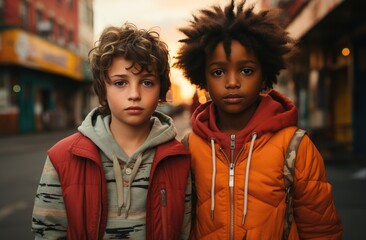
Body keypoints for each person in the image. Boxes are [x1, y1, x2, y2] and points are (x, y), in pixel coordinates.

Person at [174, 0, 342, 239]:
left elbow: (321, 230)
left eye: (246, 70)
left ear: (265, 76)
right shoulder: (189, 147)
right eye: (218, 72)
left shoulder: (294, 146)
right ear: (203, 79)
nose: (232, 82)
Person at [31, 22, 191, 239]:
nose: (134, 94)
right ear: (102, 90)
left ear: (161, 89)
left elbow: (185, 232)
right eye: (120, 83)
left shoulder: (178, 159)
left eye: (146, 82)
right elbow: (47, 234)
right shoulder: (62, 157)